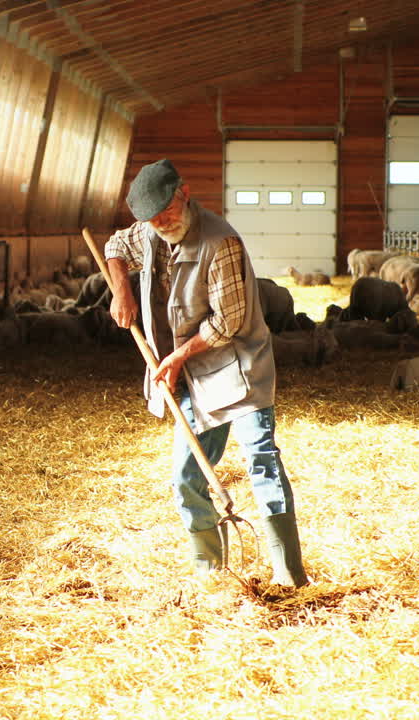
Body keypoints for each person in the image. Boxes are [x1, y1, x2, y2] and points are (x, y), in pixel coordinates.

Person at [103, 158, 308, 588]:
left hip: (239, 367)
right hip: (193, 377)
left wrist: (176, 358)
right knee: (185, 476)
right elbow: (115, 247)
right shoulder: (151, 231)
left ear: (185, 193)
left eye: (167, 213)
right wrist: (121, 289)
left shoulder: (221, 243)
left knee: (261, 461)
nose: (161, 223)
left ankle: (289, 574)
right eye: (152, 218)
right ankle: (211, 572)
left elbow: (226, 321)